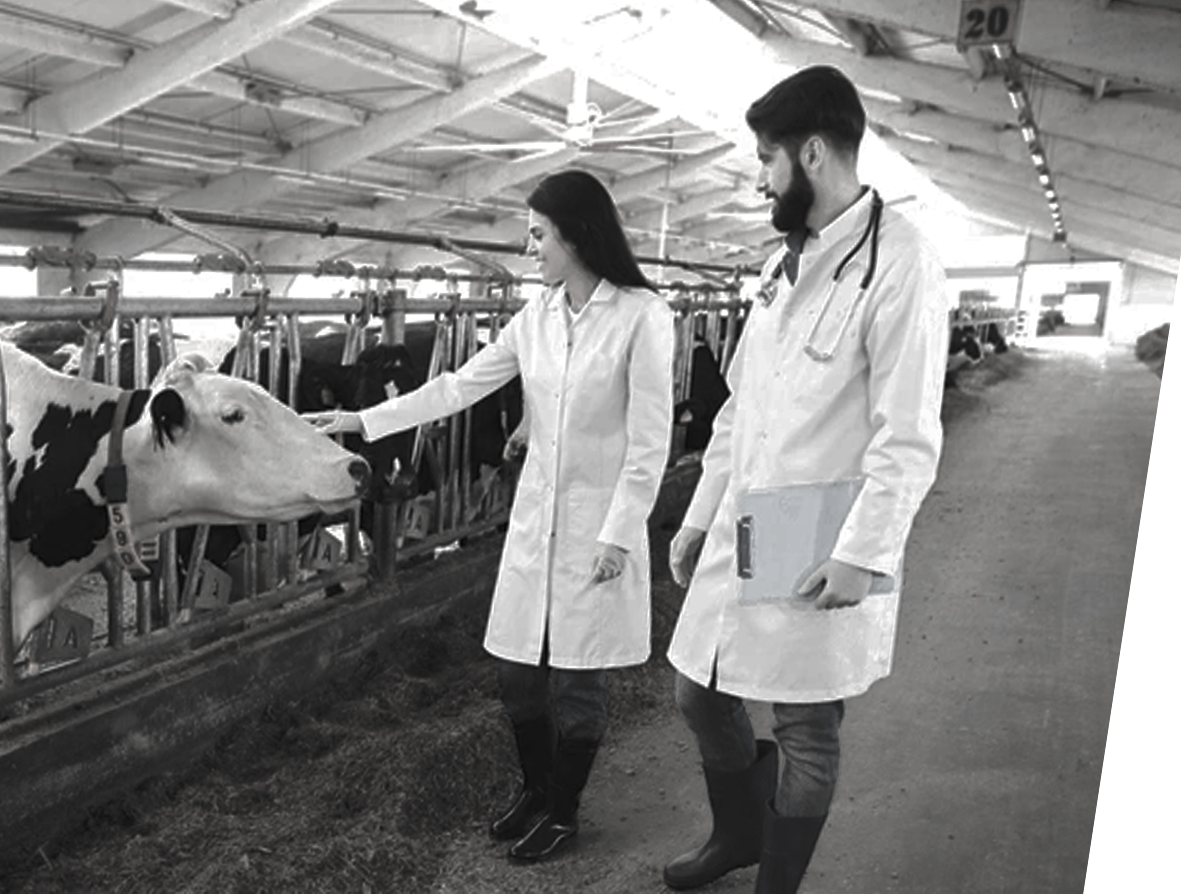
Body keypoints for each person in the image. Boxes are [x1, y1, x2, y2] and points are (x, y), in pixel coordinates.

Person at [304, 169, 675, 863]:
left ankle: (563, 812)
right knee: (516, 672)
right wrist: (363, 419)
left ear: (576, 234)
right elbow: (457, 386)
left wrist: (621, 534)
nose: (530, 249)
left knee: (578, 679)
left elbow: (650, 442)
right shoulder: (535, 318)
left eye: (538, 235)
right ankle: (536, 791)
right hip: (536, 524)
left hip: (598, 529)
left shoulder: (641, 316)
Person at [661, 66, 948, 893]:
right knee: (697, 691)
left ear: (811, 153)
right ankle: (738, 834)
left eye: (765, 159)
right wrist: (697, 515)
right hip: (747, 520)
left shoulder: (901, 263)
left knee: (805, 726)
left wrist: (863, 553)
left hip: (819, 527)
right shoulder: (779, 264)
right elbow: (737, 407)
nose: (758, 179)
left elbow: (907, 434)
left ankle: (774, 883)